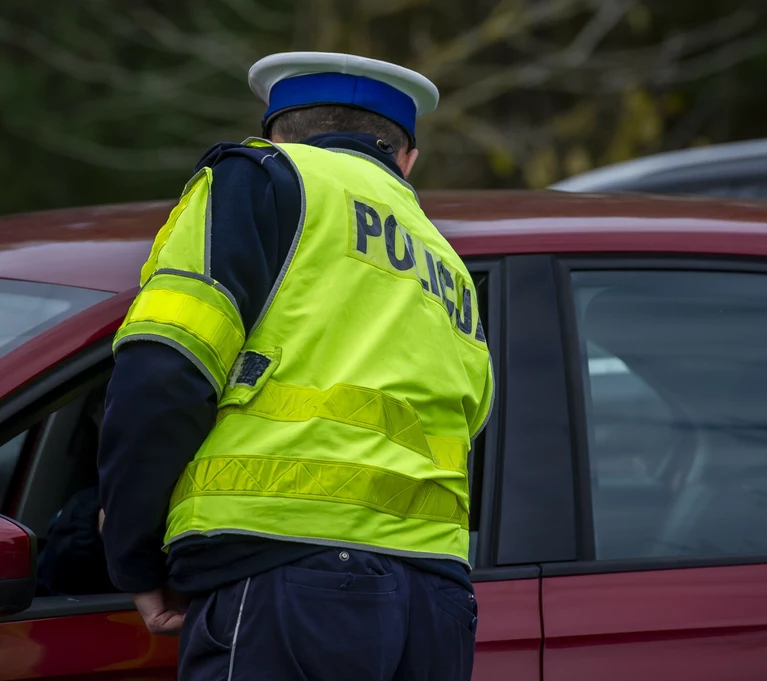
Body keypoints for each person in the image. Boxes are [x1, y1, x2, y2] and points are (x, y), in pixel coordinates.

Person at [97, 51, 493, 681]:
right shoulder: (445, 260)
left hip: (287, 574)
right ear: (406, 158)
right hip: (436, 600)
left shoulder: (260, 178)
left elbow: (169, 365)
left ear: (276, 133)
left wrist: (134, 554)